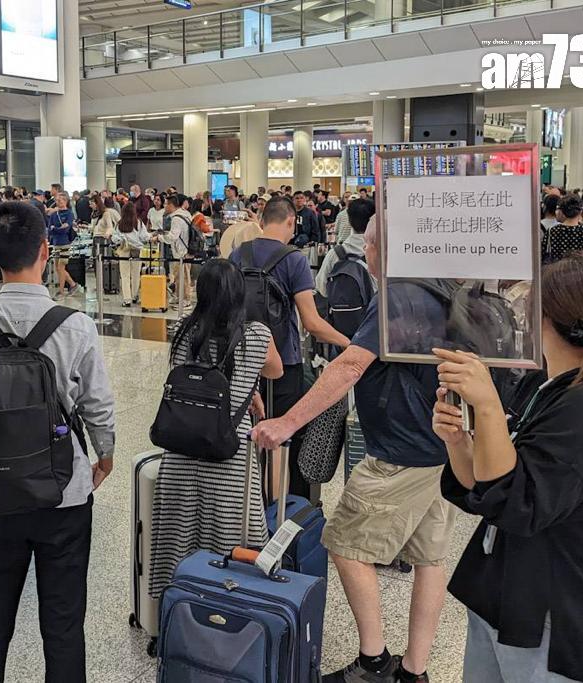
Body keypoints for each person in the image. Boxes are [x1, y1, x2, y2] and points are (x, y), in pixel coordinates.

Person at [252, 215, 453, 683]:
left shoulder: (398, 296)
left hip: (400, 453)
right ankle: (414, 671)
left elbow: (349, 368)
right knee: (428, 558)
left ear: (385, 248)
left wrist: (287, 421)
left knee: (343, 542)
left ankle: (373, 662)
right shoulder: (441, 286)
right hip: (437, 444)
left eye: (370, 245)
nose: (367, 253)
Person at [433, 255, 583, 683]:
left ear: (542, 317)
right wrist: (460, 442)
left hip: (557, 616)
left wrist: (489, 408)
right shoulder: (553, 387)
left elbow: (518, 502)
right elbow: (487, 490)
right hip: (508, 593)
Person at [0, 201, 115, 682]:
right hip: (64, 492)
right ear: (45, 249)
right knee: (63, 622)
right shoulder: (74, 325)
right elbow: (98, 405)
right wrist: (105, 453)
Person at [147, 259, 283, 599]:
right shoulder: (256, 334)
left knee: (177, 538)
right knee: (229, 539)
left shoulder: (182, 329)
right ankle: (226, 612)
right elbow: (276, 371)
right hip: (229, 458)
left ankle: (174, 610)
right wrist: (246, 389)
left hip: (179, 453)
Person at [235, 197, 351, 499]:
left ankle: (252, 501)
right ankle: (284, 504)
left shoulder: (239, 254)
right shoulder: (294, 258)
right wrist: (349, 344)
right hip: (284, 364)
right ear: (291, 221)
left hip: (244, 363)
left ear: (262, 220)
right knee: (285, 438)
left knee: (248, 435)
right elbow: (312, 323)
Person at [316, 198, 373, 297]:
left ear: (350, 221)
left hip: (345, 310)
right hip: (376, 310)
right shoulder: (381, 253)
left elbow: (322, 287)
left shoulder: (335, 253)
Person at [110, 201, 148, 307]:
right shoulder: (138, 222)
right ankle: (135, 296)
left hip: (124, 251)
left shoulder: (120, 223)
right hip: (136, 250)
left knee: (125, 275)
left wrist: (122, 239)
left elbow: (114, 238)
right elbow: (144, 237)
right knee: (136, 274)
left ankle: (127, 299)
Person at [541, 193, 583, 264]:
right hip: (579, 270)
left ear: (562, 211)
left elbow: (543, 251)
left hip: (556, 270)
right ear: (580, 211)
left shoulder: (552, 231)